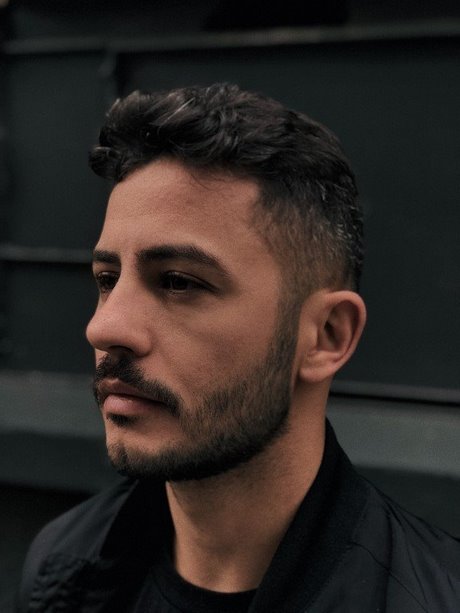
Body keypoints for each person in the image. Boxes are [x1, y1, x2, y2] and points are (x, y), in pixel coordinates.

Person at [17, 84, 460, 612]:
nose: (104, 327)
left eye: (178, 281)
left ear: (327, 336)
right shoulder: (64, 568)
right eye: (108, 279)